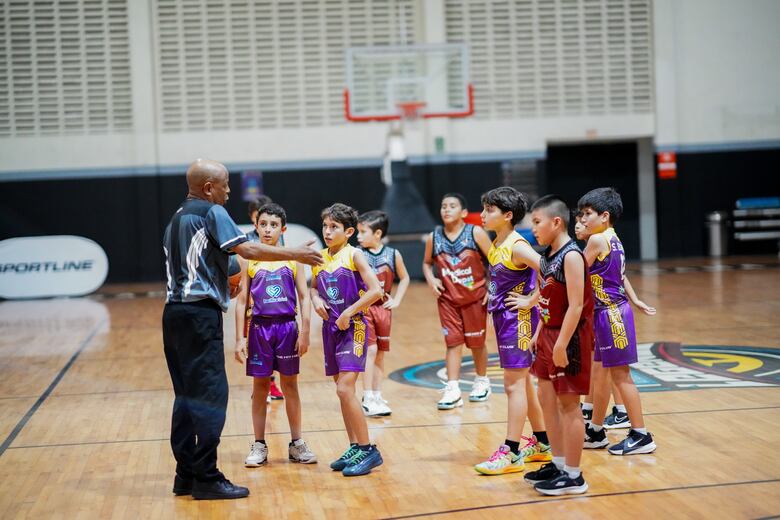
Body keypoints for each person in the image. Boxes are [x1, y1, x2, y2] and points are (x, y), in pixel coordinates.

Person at [162, 159, 322, 500]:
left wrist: (223, 281)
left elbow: (198, 265)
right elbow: (246, 249)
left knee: (186, 398)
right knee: (212, 397)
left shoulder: (176, 218)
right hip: (199, 315)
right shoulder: (211, 212)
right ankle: (207, 477)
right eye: (225, 185)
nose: (229, 191)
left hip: (173, 315)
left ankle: (185, 475)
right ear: (208, 188)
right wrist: (295, 253)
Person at [473, 187, 552, 475]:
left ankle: (511, 451)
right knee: (523, 383)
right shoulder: (498, 243)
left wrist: (531, 299)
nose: (482, 215)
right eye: (483, 209)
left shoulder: (518, 245)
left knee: (513, 385)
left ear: (508, 216)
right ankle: (543, 443)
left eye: (489, 210)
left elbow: (547, 268)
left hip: (518, 323)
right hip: (504, 320)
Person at [233, 202, 317, 467]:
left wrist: (304, 332)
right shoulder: (248, 259)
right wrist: (239, 337)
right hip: (259, 328)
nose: (267, 230)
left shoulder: (293, 259)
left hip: (287, 328)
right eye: (263, 225)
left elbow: (304, 298)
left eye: (273, 225)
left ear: (283, 228)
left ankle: (297, 443)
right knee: (259, 387)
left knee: (290, 385)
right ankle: (259, 444)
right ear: (256, 227)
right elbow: (242, 300)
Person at [577, 188, 657, 455]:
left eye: (588, 214)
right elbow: (620, 276)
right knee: (600, 377)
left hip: (611, 314)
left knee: (622, 377)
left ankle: (641, 435)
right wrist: (635, 300)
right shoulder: (612, 238)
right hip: (608, 312)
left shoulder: (597, 240)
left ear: (605, 216)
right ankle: (597, 430)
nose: (583, 220)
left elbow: (575, 270)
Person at [523, 195, 593, 496]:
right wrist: (539, 331)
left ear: (556, 222)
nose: (533, 229)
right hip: (549, 333)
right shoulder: (548, 257)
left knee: (569, 405)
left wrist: (562, 344)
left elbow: (576, 306)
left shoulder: (572, 257)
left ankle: (575, 476)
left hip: (570, 337)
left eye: (536, 222)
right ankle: (560, 462)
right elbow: (547, 300)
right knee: (547, 400)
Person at [311, 203, 385, 476]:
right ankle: (354, 445)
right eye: (325, 226)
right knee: (343, 393)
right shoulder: (319, 258)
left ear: (349, 231)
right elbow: (313, 288)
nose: (327, 232)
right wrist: (317, 299)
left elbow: (376, 290)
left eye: (334, 228)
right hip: (331, 329)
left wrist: (349, 311)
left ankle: (368, 450)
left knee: (345, 389)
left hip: (353, 327)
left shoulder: (355, 256)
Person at [422, 193, 493, 410]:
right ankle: (453, 388)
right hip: (448, 300)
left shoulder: (476, 233)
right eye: (443, 206)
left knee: (477, 343)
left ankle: (482, 381)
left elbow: (496, 261)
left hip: (475, 298)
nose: (446, 209)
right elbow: (426, 263)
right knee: (452, 343)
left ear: (463, 212)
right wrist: (431, 278)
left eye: (452, 206)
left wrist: (494, 287)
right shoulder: (434, 238)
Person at [356, 210, 410, 417]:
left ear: (377, 234)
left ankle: (376, 394)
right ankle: (367, 396)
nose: (358, 236)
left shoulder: (393, 254)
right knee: (369, 351)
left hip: (383, 309)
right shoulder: (358, 254)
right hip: (364, 309)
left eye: (363, 232)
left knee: (380, 354)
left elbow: (404, 278)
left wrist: (397, 299)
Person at [245, 197, 285, 401]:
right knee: (258, 354)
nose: (268, 228)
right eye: (260, 221)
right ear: (254, 220)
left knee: (279, 353)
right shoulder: (248, 245)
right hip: (256, 310)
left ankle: (273, 384)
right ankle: (261, 386)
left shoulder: (281, 244)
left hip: (278, 310)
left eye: (273, 224)